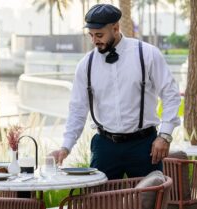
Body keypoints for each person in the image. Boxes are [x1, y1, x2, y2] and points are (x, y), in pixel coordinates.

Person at [50, 4, 181, 180]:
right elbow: (78, 110)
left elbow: (170, 94)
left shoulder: (147, 54)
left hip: (144, 145)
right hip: (105, 147)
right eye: (91, 35)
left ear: (116, 28)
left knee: (151, 202)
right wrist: (65, 147)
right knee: (99, 203)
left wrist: (164, 136)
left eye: (99, 35)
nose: (95, 41)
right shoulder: (86, 65)